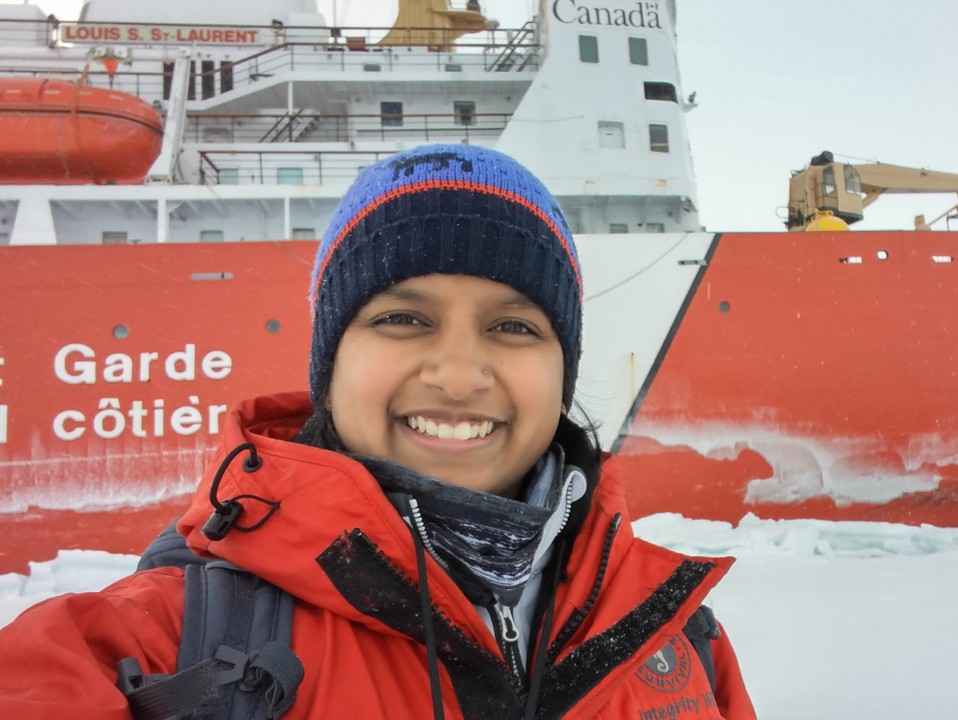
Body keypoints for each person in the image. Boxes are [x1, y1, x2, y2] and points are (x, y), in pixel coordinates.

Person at [0, 145, 756, 719]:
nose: (460, 374)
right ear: (329, 366)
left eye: (515, 326)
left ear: (564, 372)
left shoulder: (684, 641)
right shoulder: (158, 647)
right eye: (402, 318)